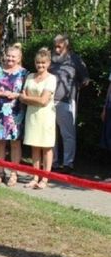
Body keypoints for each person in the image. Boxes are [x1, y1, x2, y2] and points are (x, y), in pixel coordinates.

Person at [0, 43, 27, 187]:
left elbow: (27, 93)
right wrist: (2, 93)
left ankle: (14, 173)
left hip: (16, 113)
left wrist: (16, 95)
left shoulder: (24, 73)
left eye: (13, 56)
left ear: (19, 58)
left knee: (15, 143)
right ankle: (0, 172)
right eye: (8, 56)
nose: (10, 59)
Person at [49, 34, 90, 173]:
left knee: (68, 135)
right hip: (48, 101)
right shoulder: (50, 58)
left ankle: (68, 163)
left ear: (66, 46)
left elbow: (85, 80)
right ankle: (53, 162)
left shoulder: (75, 59)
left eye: (59, 46)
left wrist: (74, 87)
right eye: (55, 46)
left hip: (66, 101)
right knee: (51, 134)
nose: (56, 48)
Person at [19, 48, 57, 189]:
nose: (40, 65)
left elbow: (44, 101)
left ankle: (45, 179)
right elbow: (24, 98)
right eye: (38, 63)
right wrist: (30, 99)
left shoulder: (52, 78)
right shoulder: (29, 77)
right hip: (32, 115)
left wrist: (28, 98)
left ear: (48, 63)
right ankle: (35, 176)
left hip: (46, 116)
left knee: (46, 147)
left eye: (43, 63)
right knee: (34, 146)